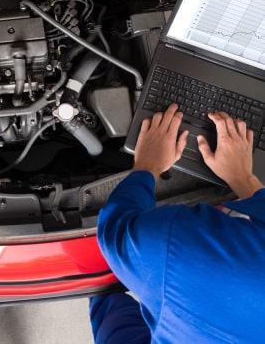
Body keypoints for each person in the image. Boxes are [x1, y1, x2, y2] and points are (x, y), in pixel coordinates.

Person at [90, 103, 265, 343]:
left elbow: (117, 233)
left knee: (107, 301)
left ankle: (103, 296)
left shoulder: (182, 251)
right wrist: (242, 178)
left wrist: (148, 165)